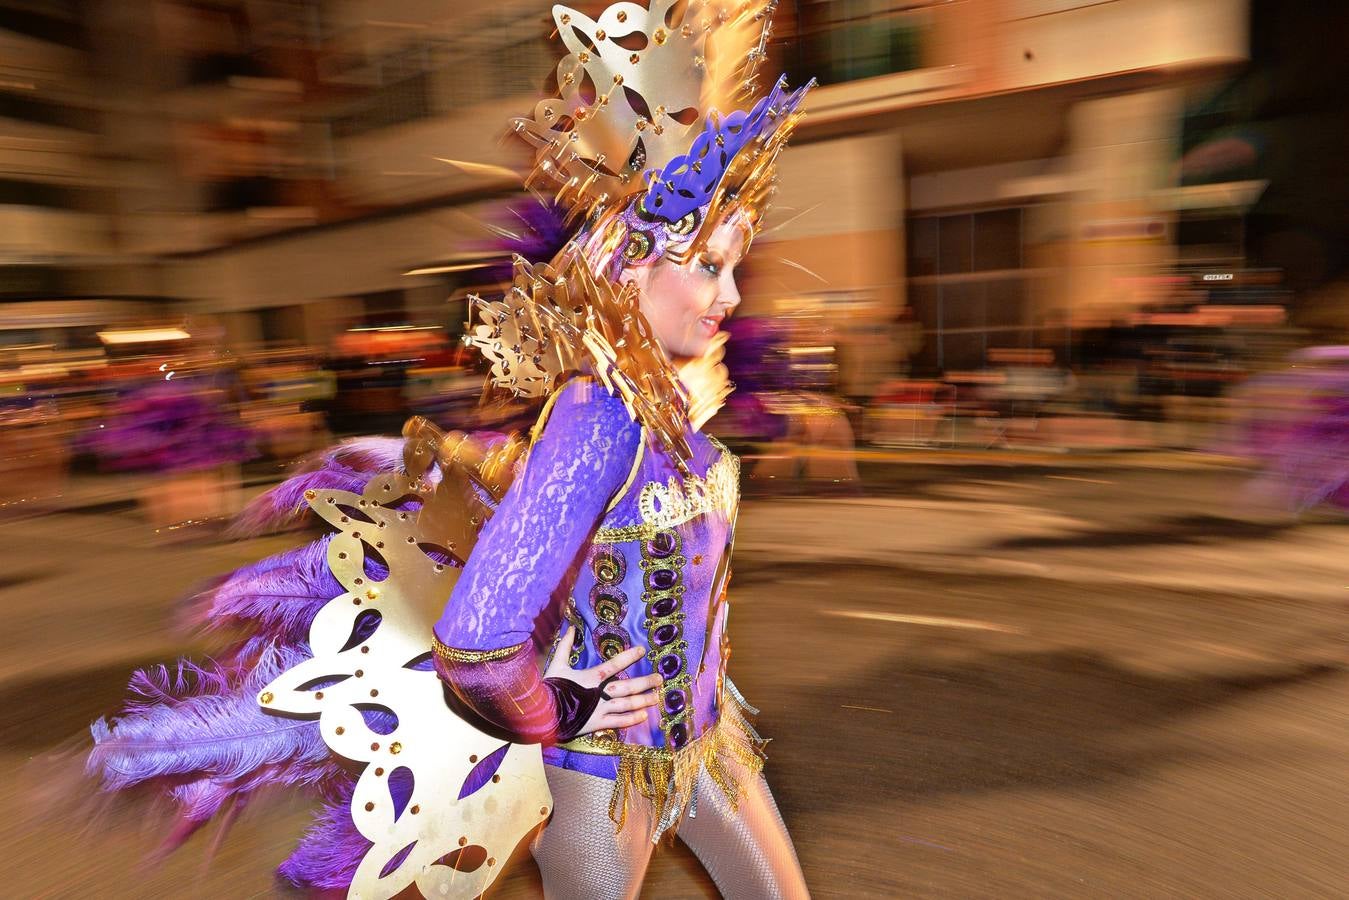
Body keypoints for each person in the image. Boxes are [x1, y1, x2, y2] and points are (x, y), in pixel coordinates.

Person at [87, 2, 813, 898]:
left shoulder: (670, 405)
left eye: (735, 266)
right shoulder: (596, 418)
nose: (731, 293)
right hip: (604, 773)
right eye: (707, 266)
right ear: (632, 266)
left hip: (712, 746)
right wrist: (564, 704)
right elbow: (476, 638)